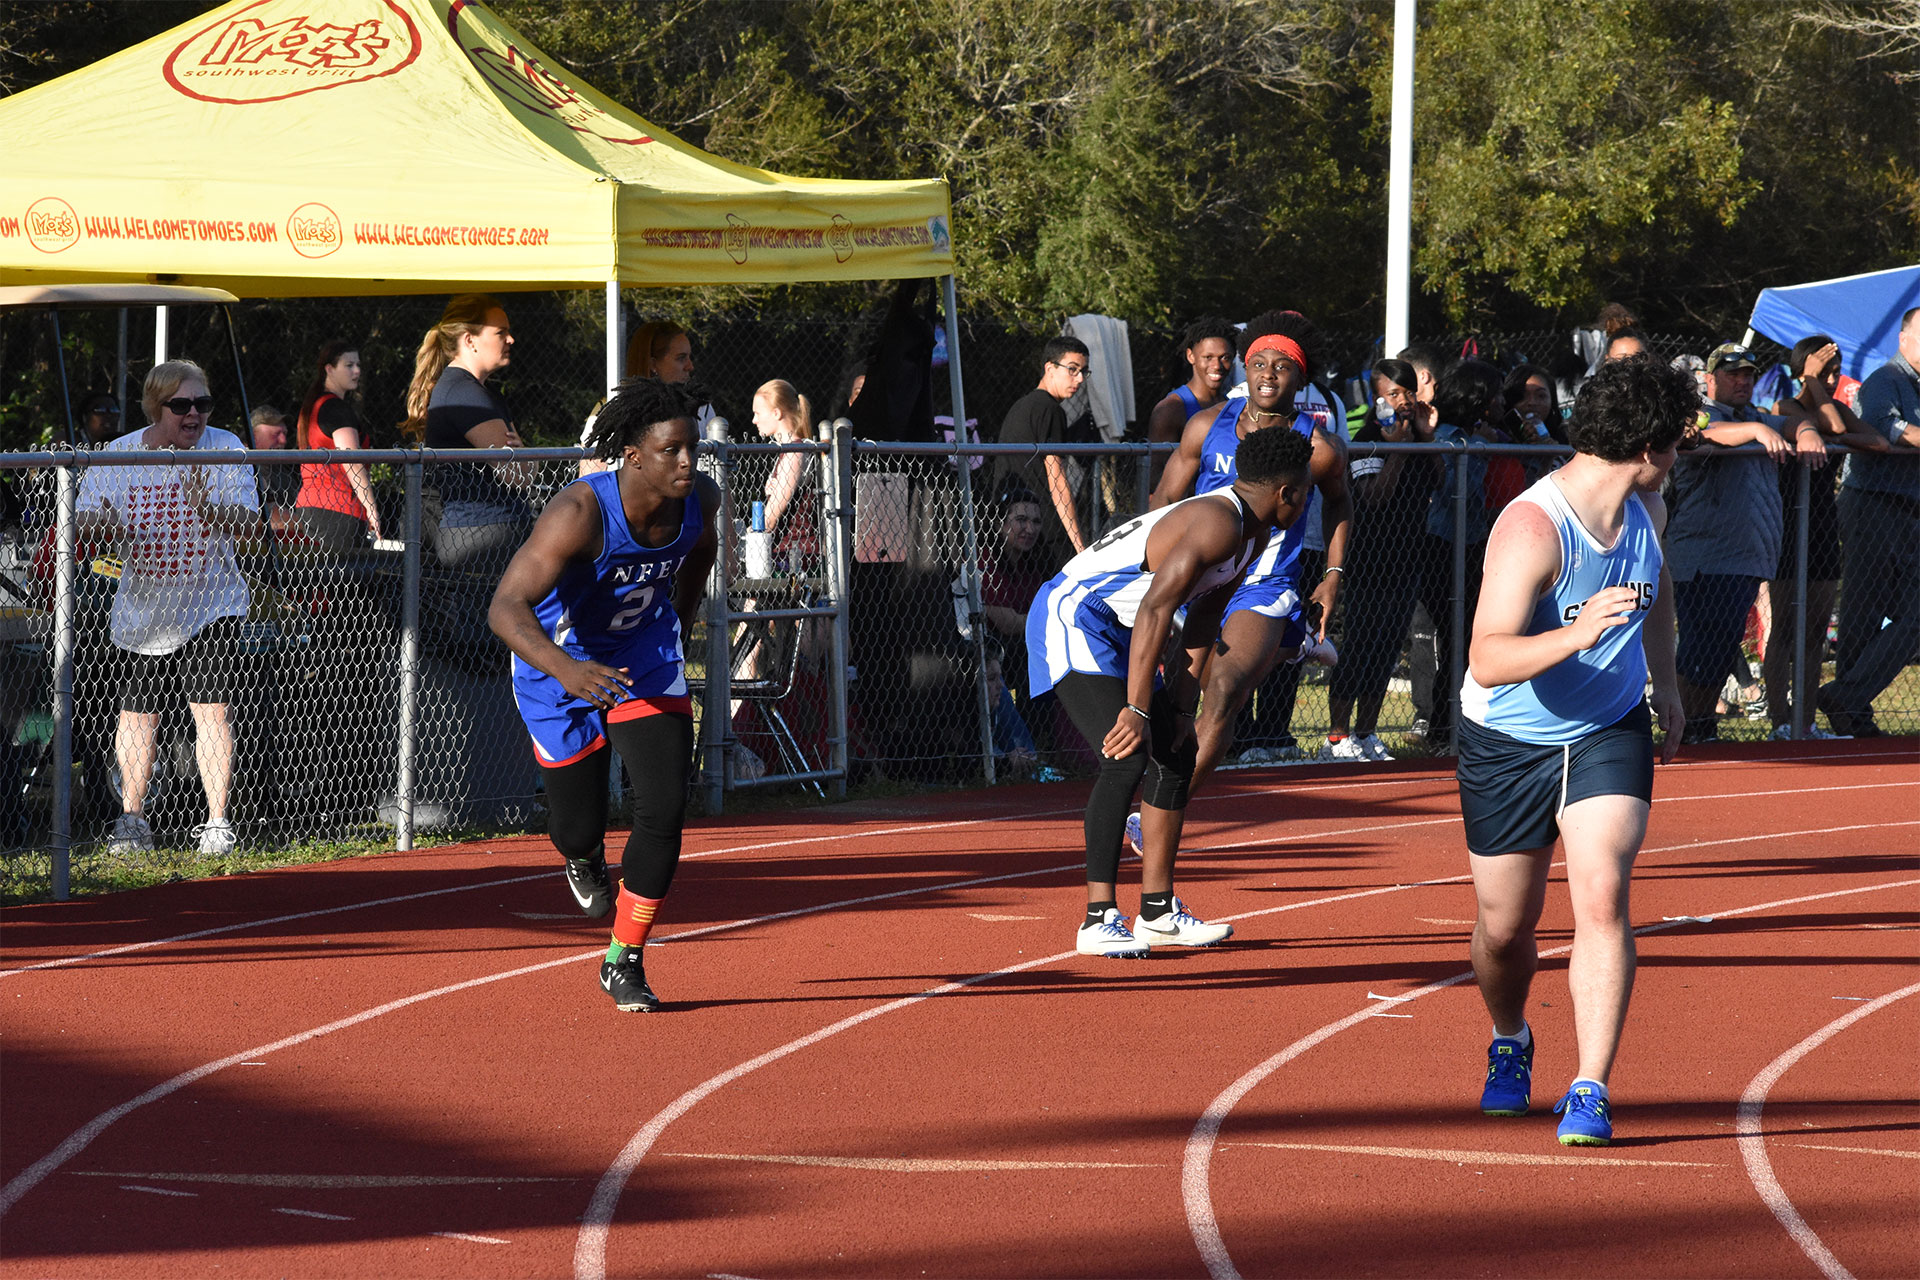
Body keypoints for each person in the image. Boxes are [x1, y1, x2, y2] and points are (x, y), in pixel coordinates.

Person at [1458, 353, 1695, 1148]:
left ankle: (1590, 1086)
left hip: (1607, 728)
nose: (1679, 456)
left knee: (1601, 893)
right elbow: (1486, 658)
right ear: (1649, 446)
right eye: (1678, 442)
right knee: (1503, 930)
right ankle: (1510, 1036)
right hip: (1509, 738)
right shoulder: (1531, 526)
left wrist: (1665, 685)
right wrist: (1578, 632)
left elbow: (1654, 601)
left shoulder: (1648, 514)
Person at [1027, 424, 1313, 957]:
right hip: (1076, 614)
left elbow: (1204, 616)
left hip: (1118, 626)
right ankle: (1097, 916)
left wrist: (1181, 706)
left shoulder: (1251, 531)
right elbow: (1158, 610)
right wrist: (1137, 707)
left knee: (1176, 755)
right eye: (1305, 493)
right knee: (1125, 755)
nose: (1305, 506)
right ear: (1287, 493)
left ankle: (1157, 913)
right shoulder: (1219, 522)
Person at [488, 378, 720, 1013]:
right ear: (633, 455)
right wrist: (567, 670)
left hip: (643, 662)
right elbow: (505, 608)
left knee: (665, 802)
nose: (688, 462)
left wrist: (677, 623)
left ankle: (624, 958)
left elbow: (700, 554)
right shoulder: (580, 511)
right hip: (557, 669)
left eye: (693, 448)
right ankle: (582, 856)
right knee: (576, 824)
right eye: (672, 450)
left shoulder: (701, 498)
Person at [1150, 310, 1349, 800]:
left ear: (1300, 377)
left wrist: (1332, 575)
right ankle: (1291, 642)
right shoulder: (1203, 426)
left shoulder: (1318, 446)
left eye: (1281, 366)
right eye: (1257, 363)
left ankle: (1162, 808)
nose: (1267, 373)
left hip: (1262, 584)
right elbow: (1161, 503)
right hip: (1196, 580)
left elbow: (1341, 501)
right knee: (1171, 700)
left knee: (1222, 692)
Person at [78, 360, 259, 857]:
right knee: (138, 715)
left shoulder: (224, 448)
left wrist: (206, 506)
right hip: (146, 608)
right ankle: (132, 820)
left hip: (211, 602)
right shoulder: (120, 453)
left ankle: (218, 822)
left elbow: (249, 525)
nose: (194, 414)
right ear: (155, 407)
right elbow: (89, 523)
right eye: (181, 405)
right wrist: (99, 525)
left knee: (212, 711)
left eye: (203, 403)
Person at [1662, 343, 1798, 744]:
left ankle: (1699, 725)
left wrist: (1802, 430)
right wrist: (1758, 431)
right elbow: (1706, 434)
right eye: (1732, 373)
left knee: (1720, 648)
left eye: (1748, 374)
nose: (1742, 380)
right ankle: (1682, 727)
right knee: (1701, 646)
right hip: (1703, 556)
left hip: (1745, 557)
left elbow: (1791, 423)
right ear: (1709, 379)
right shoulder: (1699, 415)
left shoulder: (1756, 415)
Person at [1763, 336, 1885, 739]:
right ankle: (1780, 719)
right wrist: (1811, 383)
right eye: (1826, 372)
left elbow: (1876, 441)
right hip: (1786, 523)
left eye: (1836, 372)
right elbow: (1828, 425)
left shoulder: (1836, 411)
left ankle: (1806, 721)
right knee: (1784, 628)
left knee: (1816, 630)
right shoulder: (1786, 408)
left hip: (1821, 525)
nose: (1833, 380)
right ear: (1804, 371)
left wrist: (1839, 438)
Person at [1325, 358, 1434, 760]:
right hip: (1370, 561)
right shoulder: (1369, 437)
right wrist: (1399, 451)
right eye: (1393, 394)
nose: (1403, 401)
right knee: (1360, 646)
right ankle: (1336, 737)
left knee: (1386, 650)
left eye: (1408, 392)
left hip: (1408, 559)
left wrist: (1425, 436)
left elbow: (1439, 481)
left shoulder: (1416, 436)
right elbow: (1373, 496)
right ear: (1375, 400)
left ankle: (1366, 732)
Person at [1820, 306, 1920, 737]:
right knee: (1862, 615)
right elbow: (1891, 431)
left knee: (1913, 617)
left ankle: (1846, 695)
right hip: (1873, 506)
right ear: (1903, 339)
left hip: (1910, 511)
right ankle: (1852, 711)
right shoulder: (1886, 381)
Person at [403, 294, 532, 572]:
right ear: (469, 340)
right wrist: (525, 457)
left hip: (483, 530)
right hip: (483, 535)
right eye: (500, 333)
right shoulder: (464, 393)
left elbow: (520, 469)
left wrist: (524, 460)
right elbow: (517, 475)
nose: (510, 340)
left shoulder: (477, 392)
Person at [993, 336, 1091, 563]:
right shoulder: (1050, 411)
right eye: (1072, 369)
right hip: (1043, 530)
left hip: (1013, 525)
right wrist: (1079, 545)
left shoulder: (1024, 406)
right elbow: (1057, 478)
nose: (1079, 379)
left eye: (1084, 372)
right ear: (1050, 368)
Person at [580, 320, 712, 477]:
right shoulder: (612, 413)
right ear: (653, 364)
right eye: (681, 358)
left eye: (689, 357)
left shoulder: (701, 409)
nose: (690, 366)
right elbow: (590, 477)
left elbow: (720, 477)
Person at [293, 341, 383, 550]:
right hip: (338, 508)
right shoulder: (335, 408)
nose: (357, 371)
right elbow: (352, 462)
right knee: (344, 577)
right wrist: (371, 508)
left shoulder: (313, 406)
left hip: (309, 506)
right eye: (349, 365)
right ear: (329, 369)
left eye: (358, 365)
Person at [1145, 317, 1238, 489]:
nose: (1217, 365)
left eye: (1224, 357)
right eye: (1208, 357)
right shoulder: (1172, 408)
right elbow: (1155, 478)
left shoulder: (1233, 406)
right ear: (1191, 356)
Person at [248, 405, 300, 531]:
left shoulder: (285, 470)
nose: (283, 440)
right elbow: (273, 518)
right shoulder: (246, 469)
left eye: (285, 433)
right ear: (253, 436)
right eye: (276, 434)